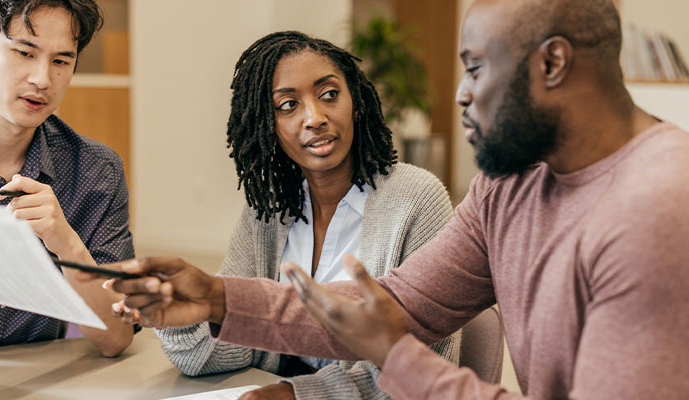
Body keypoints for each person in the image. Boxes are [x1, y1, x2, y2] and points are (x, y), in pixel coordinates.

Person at [105, 0, 689, 398]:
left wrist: (393, 358)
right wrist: (217, 297)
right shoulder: (507, 186)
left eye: (475, 68)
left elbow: (391, 338)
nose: (461, 94)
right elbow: (393, 306)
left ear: (552, 62)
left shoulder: (664, 204)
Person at [151, 31, 459, 400]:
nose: (314, 118)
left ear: (356, 102)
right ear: (269, 125)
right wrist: (180, 317)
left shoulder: (416, 199)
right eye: (288, 105)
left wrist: (299, 394)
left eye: (329, 94)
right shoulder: (269, 210)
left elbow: (421, 367)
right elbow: (220, 351)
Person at [0, 0, 135, 356]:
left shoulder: (96, 171)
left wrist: (68, 246)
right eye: (24, 53)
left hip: (42, 375)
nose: (42, 80)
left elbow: (116, 338)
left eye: (60, 61)